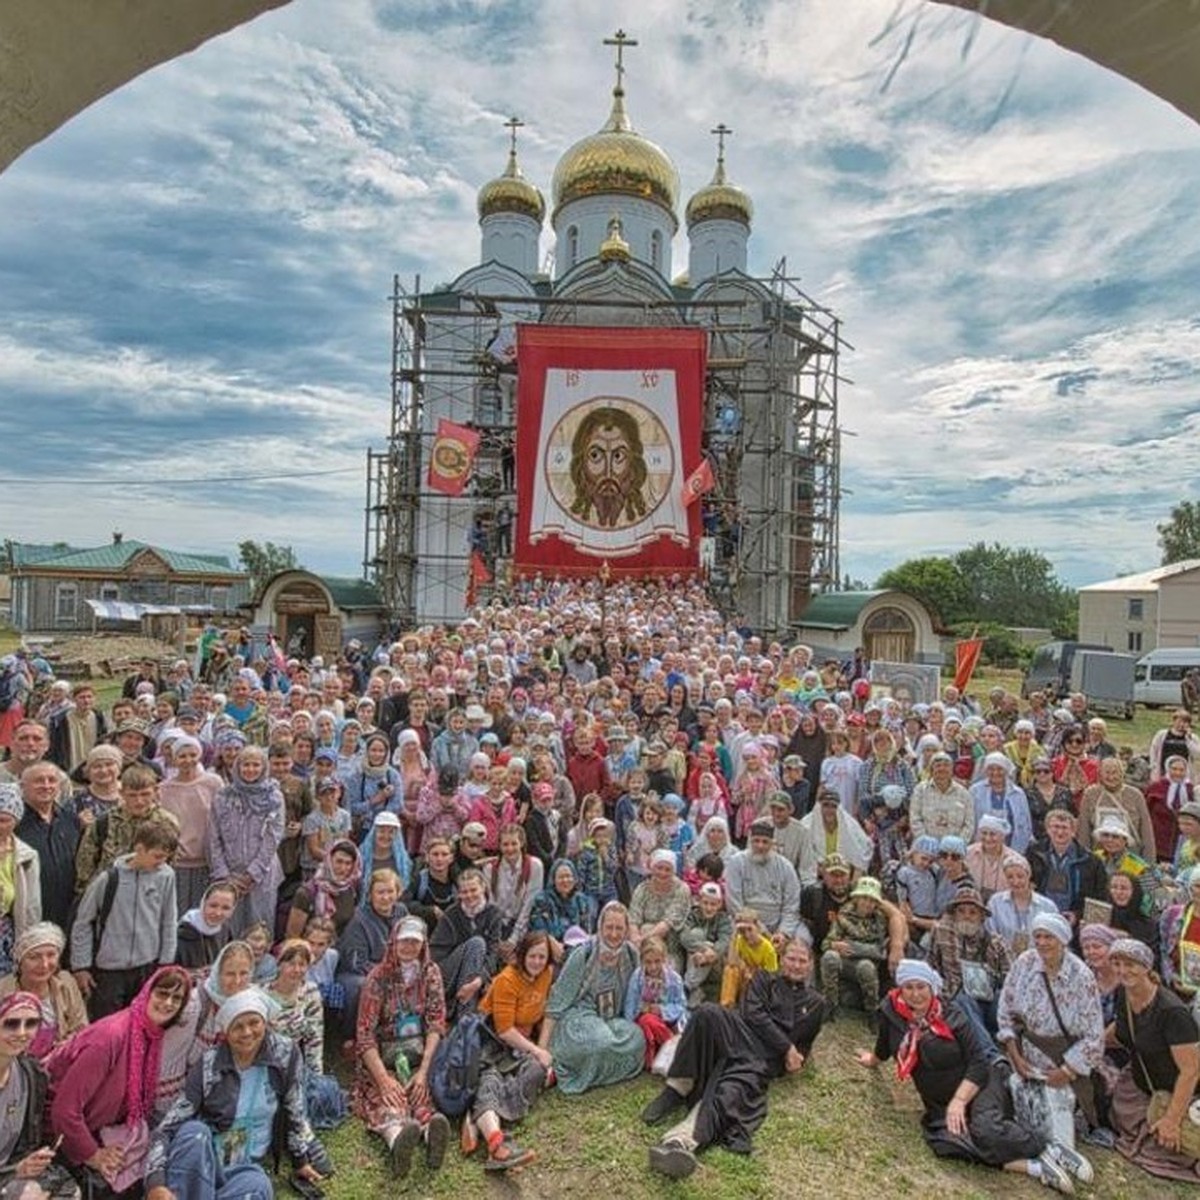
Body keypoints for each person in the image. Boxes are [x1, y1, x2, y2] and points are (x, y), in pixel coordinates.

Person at [852, 959, 1084, 1194]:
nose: (915, 995)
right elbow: (884, 1044)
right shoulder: (891, 1012)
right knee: (946, 1143)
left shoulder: (952, 1015)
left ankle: (1047, 1147)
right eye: (909, 987)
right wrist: (872, 1060)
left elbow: (979, 1061)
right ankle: (1034, 1167)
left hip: (979, 1084)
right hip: (940, 1103)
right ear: (900, 988)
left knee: (985, 1130)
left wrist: (960, 1101)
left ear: (932, 988)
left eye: (921, 987)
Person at [643, 938, 827, 1179]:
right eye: (791, 958)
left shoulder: (817, 1003)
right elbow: (753, 1015)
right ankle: (677, 1088)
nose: (796, 965)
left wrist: (793, 1059)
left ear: (811, 965)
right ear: (782, 960)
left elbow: (803, 1046)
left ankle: (680, 1143)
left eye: (802, 961)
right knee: (707, 1012)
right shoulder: (763, 979)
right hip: (741, 1031)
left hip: (763, 1058)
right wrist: (786, 1046)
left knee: (731, 1091)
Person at [144, 990, 331, 1200]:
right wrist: (155, 1183)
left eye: (254, 1022)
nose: (247, 1032)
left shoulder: (285, 1054)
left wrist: (300, 1160)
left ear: (265, 1022)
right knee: (193, 1132)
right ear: (226, 1032)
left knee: (259, 1186)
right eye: (237, 1027)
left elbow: (295, 1107)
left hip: (244, 1165)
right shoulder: (209, 1064)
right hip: (206, 1160)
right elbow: (167, 1128)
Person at [46, 966, 193, 1188]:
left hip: (98, 1130)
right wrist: (94, 1155)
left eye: (177, 998)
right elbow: (64, 1110)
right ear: (147, 992)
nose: (169, 1003)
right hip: (59, 1135)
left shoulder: (150, 1034)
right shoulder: (110, 1037)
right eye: (162, 993)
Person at [351, 917, 451, 1180]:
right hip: (383, 1059)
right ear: (394, 941)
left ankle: (431, 1133)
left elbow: (436, 1023)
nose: (408, 946)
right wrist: (383, 1080)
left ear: (423, 944)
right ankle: (398, 1142)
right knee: (390, 1100)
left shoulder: (431, 973)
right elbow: (365, 1034)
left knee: (420, 1096)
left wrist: (424, 1072)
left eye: (414, 941)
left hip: (417, 1055)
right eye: (404, 940)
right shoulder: (378, 977)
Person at [997, 912, 1106, 1144]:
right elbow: (1006, 1009)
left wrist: (1065, 1072)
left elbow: (1094, 1036)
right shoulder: (1025, 962)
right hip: (1026, 1060)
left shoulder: (1081, 976)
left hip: (1063, 1066)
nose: (1042, 943)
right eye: (1038, 936)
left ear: (1062, 940)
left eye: (1049, 937)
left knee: (1057, 1123)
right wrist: (1015, 1056)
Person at [1108, 936, 1200, 1182]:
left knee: (1170, 1145)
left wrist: (1171, 1120)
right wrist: (1089, 1046)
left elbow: (1191, 1071)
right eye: (1117, 964)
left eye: (1130, 964)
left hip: (1179, 1090)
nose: (1122, 971)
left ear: (1147, 967)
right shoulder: (1124, 993)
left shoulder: (1172, 1012)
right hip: (1142, 1086)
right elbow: (1121, 1029)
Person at [463, 931, 555, 1172]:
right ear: (522, 955)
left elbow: (543, 1014)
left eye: (542, 957)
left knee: (537, 1071)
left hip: (520, 1045)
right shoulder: (506, 980)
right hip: (492, 1040)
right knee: (491, 1076)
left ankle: (479, 1116)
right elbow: (504, 1031)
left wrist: (540, 1051)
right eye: (532, 956)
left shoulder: (546, 975)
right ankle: (496, 1142)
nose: (537, 962)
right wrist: (536, 1049)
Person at [69, 821, 179, 1020]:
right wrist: (81, 966)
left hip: (146, 965)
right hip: (109, 969)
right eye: (157, 856)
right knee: (108, 1025)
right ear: (139, 848)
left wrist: (166, 962)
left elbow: (169, 920)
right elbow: (83, 922)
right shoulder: (108, 879)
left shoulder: (166, 876)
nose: (161, 862)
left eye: (165, 857)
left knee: (140, 1023)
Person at [540, 901, 645, 1095]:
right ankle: (570, 1069)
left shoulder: (631, 954)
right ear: (600, 927)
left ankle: (596, 1069)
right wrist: (542, 1050)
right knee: (600, 1041)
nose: (614, 934)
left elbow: (637, 992)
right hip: (579, 1017)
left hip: (612, 1018)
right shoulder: (584, 954)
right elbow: (557, 1002)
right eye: (609, 928)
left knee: (638, 1038)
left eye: (619, 928)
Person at [0, 990, 81, 1200]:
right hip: (8, 1174)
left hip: (12, 1169)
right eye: (11, 1024)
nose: (21, 1033)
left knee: (69, 1192)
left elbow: (25, 1143)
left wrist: (30, 1162)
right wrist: (15, 1171)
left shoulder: (31, 1073)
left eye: (31, 1024)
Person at [267, 939, 347, 1130]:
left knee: (315, 1097)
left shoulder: (310, 992)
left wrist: (316, 1076)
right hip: (268, 1062)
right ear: (279, 964)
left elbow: (314, 1038)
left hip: (295, 1062)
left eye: (302, 964)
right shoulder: (262, 993)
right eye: (291, 963)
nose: (296, 970)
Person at [207, 747, 284, 937]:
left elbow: (273, 837)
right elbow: (213, 837)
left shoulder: (274, 798)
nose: (250, 769)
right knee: (227, 928)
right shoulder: (224, 796)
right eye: (245, 765)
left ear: (264, 767)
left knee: (259, 929)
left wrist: (252, 874)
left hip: (262, 876)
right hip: (229, 874)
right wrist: (224, 875)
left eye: (256, 765)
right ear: (237, 767)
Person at [0, 923, 87, 1060]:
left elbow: (81, 1029)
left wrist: (64, 1048)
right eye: (34, 957)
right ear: (20, 962)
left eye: (51, 955)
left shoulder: (66, 983)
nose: (44, 964)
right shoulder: (4, 990)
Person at [428, 869, 503, 1021]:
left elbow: (494, 952)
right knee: (477, 943)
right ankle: (466, 1016)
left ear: (483, 887)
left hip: (474, 974)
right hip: (446, 972)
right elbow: (436, 953)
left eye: (473, 890)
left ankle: (466, 1017)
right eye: (464, 892)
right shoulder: (452, 914)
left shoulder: (493, 913)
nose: (469, 896)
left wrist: (479, 980)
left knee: (480, 950)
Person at [820, 875, 890, 1021]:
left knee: (866, 967)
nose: (868, 903)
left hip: (866, 964)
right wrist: (834, 945)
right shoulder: (843, 916)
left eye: (872, 900)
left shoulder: (880, 920)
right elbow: (825, 944)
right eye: (864, 898)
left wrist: (853, 947)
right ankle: (830, 1005)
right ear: (856, 898)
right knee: (830, 957)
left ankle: (872, 1012)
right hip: (844, 962)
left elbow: (880, 951)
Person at [0, 784, 40, 976]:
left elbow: (32, 906)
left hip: (6, 936)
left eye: (4, 820)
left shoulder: (26, 855)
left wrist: (29, 944)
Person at [285, 839, 362, 940]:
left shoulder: (351, 889)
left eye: (348, 864)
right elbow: (292, 936)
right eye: (339, 862)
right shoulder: (307, 893)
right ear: (329, 860)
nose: (343, 868)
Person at [175, 882, 237, 974]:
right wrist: (195, 973)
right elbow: (168, 973)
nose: (218, 913)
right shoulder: (181, 933)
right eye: (213, 906)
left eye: (226, 908)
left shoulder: (225, 931)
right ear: (203, 903)